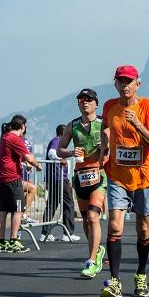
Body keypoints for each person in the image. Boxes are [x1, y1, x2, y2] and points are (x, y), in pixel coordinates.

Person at [99, 65, 149, 297]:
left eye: (129, 81)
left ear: (138, 84)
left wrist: (137, 124)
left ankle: (141, 275)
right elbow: (105, 128)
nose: (124, 85)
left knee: (143, 228)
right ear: (115, 84)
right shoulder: (109, 107)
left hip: (143, 177)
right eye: (120, 81)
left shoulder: (147, 107)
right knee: (115, 224)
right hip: (117, 176)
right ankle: (115, 281)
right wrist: (105, 148)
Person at [57, 88, 106, 278]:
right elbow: (60, 149)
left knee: (93, 217)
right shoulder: (72, 125)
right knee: (86, 219)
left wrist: (106, 148)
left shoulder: (103, 124)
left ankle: (91, 260)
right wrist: (71, 153)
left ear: (96, 104)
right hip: (80, 176)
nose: (84, 102)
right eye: (81, 100)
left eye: (88, 99)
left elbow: (115, 145)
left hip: (99, 176)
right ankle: (97, 251)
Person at [0, 115, 42, 253]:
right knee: (18, 209)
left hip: (1, 179)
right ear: (23, 126)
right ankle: (14, 241)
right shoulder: (16, 139)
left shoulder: (5, 137)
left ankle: (1, 241)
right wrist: (37, 166)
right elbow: (28, 157)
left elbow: (16, 155)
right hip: (12, 179)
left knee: (3, 209)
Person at [41, 125, 79, 242]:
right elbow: (52, 153)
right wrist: (60, 159)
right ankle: (68, 233)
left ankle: (45, 233)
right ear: (63, 133)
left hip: (54, 178)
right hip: (59, 178)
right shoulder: (57, 141)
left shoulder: (55, 141)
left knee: (52, 205)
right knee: (68, 204)